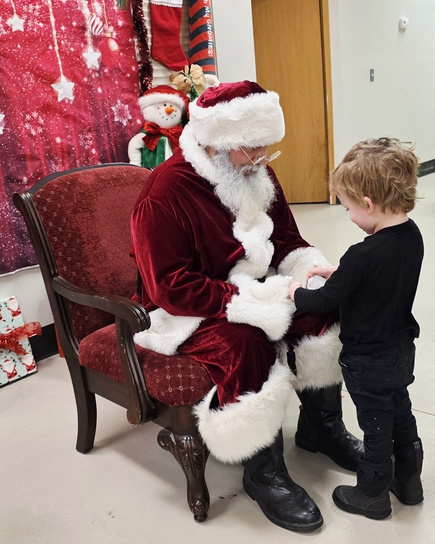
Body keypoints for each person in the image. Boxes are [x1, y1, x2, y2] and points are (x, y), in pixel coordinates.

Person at [130, 80, 363, 533]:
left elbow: (288, 239)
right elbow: (168, 287)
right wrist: (249, 302)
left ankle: (322, 429)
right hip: (186, 310)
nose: (262, 158)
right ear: (217, 142)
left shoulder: (255, 172)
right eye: (252, 148)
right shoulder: (165, 192)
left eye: (266, 147)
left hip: (254, 287)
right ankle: (263, 472)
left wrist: (310, 272)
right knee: (245, 342)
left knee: (323, 310)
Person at [289, 138, 424, 520]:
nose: (348, 215)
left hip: (368, 360)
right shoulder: (412, 235)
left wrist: (295, 291)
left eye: (348, 207)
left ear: (368, 204)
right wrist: (341, 273)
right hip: (401, 351)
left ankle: (372, 495)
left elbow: (322, 301)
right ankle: (409, 483)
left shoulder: (361, 254)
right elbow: (380, 278)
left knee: (376, 429)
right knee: (401, 413)